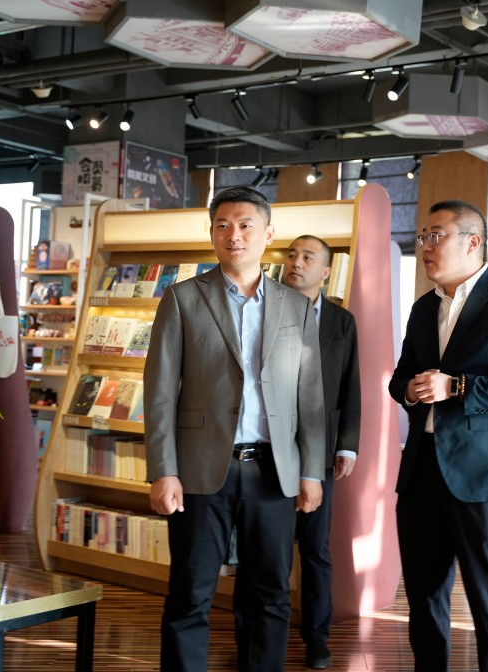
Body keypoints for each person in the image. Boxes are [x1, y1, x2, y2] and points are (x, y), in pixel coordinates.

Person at [144, 186, 326, 672]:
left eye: (246, 225)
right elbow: (159, 392)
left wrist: (312, 472)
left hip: (273, 472)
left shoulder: (296, 306)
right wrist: (163, 470)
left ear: (269, 234)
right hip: (200, 470)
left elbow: (310, 398)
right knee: (190, 592)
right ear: (211, 234)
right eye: (222, 225)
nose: (234, 235)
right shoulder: (182, 298)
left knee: (270, 595)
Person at [388, 199, 488, 672]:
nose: (425, 246)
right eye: (422, 237)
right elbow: (400, 378)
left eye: (435, 236)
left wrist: (457, 387)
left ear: (472, 242)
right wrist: (411, 391)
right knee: (423, 599)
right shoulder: (424, 308)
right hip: (421, 471)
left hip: (485, 477)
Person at [242, 234, 361, 670]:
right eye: (291, 254)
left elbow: (350, 385)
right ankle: (250, 639)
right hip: (264, 450)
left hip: (318, 452)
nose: (296, 262)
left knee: (314, 549)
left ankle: (317, 637)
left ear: (326, 271)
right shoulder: (259, 310)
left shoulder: (341, 321)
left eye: (308, 257)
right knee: (258, 551)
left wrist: (347, 444)